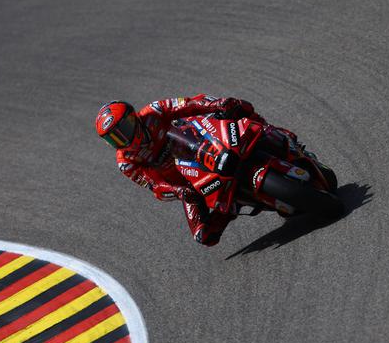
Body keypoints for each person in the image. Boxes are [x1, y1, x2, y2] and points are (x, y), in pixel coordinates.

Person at [96, 94, 277, 246]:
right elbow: (154, 185)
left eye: (123, 130)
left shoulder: (154, 111)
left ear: (132, 117)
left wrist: (215, 105)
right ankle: (231, 208)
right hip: (189, 183)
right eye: (114, 139)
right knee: (204, 235)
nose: (122, 139)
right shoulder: (126, 162)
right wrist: (178, 191)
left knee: (234, 106)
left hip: (199, 142)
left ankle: (270, 133)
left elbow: (188, 105)